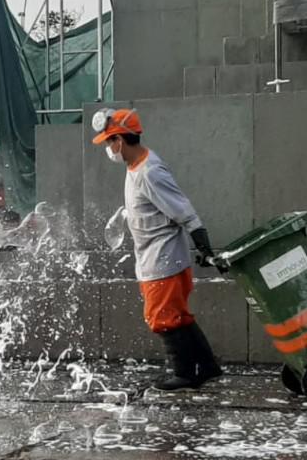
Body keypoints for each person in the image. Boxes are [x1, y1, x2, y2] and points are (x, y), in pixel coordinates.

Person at [92, 108, 223, 390]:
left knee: (162, 318)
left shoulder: (150, 172)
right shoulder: (135, 166)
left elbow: (185, 213)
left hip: (164, 260)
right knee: (178, 316)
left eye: (108, 142)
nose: (108, 149)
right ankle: (207, 367)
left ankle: (184, 373)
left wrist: (205, 248)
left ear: (119, 140)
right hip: (153, 258)